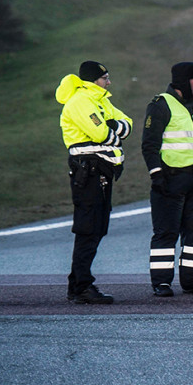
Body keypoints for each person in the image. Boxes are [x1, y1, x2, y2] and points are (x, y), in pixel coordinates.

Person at [56, 60, 133, 305]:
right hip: (88, 171)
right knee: (89, 227)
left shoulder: (100, 100)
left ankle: (77, 284)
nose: (109, 82)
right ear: (93, 80)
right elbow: (101, 133)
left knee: (97, 227)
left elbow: (128, 124)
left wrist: (114, 128)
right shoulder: (81, 101)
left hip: (100, 171)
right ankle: (82, 286)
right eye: (105, 78)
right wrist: (114, 133)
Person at [141, 62, 193, 297]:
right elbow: (149, 144)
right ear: (183, 81)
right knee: (166, 233)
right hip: (169, 181)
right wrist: (156, 174)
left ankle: (192, 281)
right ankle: (161, 283)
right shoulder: (160, 105)